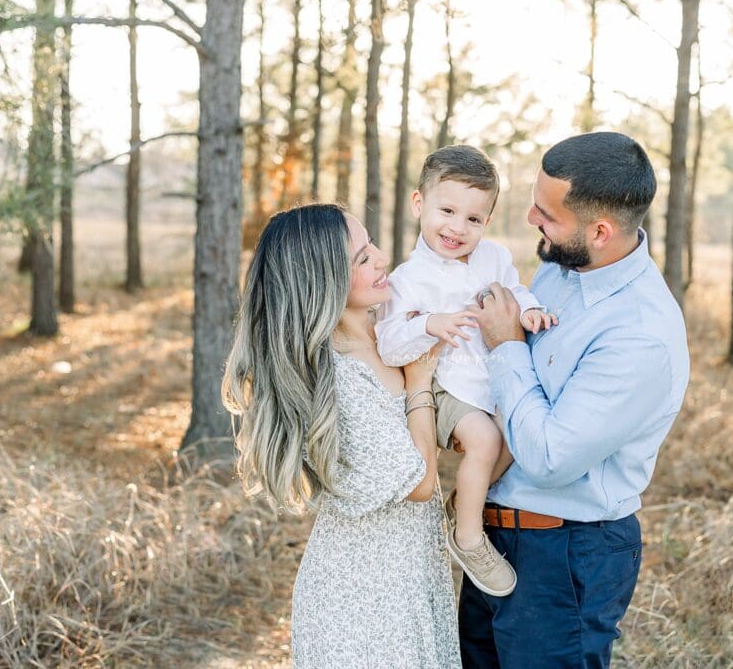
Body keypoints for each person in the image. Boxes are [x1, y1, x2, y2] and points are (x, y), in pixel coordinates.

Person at [459, 132, 690, 668]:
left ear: (600, 231)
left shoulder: (640, 334)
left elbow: (549, 458)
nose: (530, 220)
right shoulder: (561, 268)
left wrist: (506, 345)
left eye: (546, 215)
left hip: (565, 556)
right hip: (498, 537)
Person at [221, 204, 461, 668]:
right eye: (362, 258)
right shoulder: (337, 373)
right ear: (323, 279)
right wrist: (418, 384)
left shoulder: (388, 327)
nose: (382, 258)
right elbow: (419, 483)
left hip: (408, 579)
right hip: (361, 601)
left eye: (372, 246)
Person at [375, 145, 556, 597]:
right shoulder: (407, 279)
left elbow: (514, 290)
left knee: (518, 434)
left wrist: (528, 310)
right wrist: (428, 324)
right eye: (447, 211)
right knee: (486, 440)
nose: (458, 228)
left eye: (473, 219)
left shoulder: (493, 257)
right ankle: (468, 537)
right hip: (447, 385)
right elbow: (390, 344)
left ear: (487, 221)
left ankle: (462, 504)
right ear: (419, 204)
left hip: (490, 377)